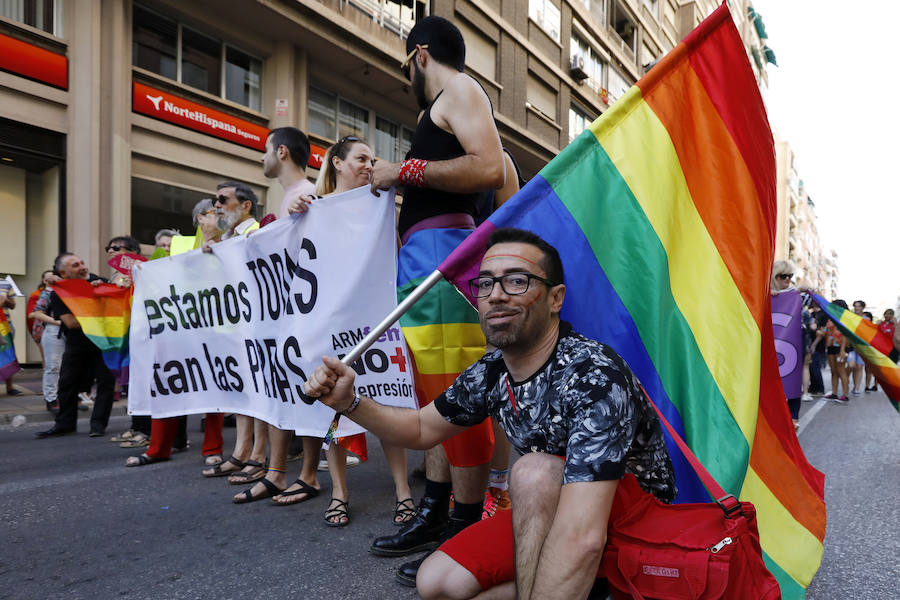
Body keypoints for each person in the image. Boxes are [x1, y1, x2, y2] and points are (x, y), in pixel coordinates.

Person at [304, 228, 676, 599]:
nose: (496, 294)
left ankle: (603, 581)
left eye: (517, 280)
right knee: (437, 583)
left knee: (532, 472)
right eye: (485, 283)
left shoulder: (593, 374)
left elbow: (583, 536)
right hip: (552, 503)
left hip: (628, 517)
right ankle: (595, 586)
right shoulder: (493, 369)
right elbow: (419, 429)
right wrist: (349, 402)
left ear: (555, 298)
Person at [366, 15, 507, 584]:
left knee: (459, 401)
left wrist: (402, 170)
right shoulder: (442, 106)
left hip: (447, 265)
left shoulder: (461, 90)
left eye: (406, 66)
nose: (408, 78)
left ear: (419, 54)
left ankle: (463, 531)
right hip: (430, 263)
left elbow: (491, 166)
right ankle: (435, 511)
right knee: (436, 398)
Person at [274, 135, 412, 526]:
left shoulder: (383, 204)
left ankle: (403, 493)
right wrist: (297, 213)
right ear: (336, 162)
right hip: (331, 323)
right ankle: (339, 493)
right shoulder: (313, 209)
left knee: (390, 400)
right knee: (333, 408)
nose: (370, 165)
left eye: (373, 159)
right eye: (362, 158)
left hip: (376, 319)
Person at [199, 182, 269, 482]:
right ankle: (242, 452)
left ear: (245, 206)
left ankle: (259, 455)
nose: (216, 206)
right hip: (235, 325)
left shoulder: (257, 235)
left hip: (258, 326)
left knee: (261, 391)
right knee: (242, 391)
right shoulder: (226, 240)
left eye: (222, 200)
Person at [35, 254, 122, 438]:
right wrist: (97, 309)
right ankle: (64, 424)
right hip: (77, 345)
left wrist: (101, 296)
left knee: (105, 385)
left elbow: (116, 306)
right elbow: (71, 323)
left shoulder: (100, 283)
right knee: (67, 384)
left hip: (103, 344)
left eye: (82, 262)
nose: (82, 267)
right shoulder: (59, 292)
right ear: (63, 272)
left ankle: (98, 425)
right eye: (75, 265)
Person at [770, 261, 801, 427]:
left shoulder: (794, 295)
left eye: (790, 276)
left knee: (793, 379)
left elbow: (810, 292)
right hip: (769, 349)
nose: (788, 280)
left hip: (791, 349)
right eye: (783, 276)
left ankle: (794, 417)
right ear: (774, 277)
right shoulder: (764, 295)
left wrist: (805, 289)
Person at [28, 270, 64, 412]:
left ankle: (68, 397)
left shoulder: (72, 290)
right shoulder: (49, 291)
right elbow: (37, 312)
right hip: (54, 330)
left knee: (68, 366)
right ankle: (51, 399)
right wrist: (58, 322)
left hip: (71, 330)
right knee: (53, 366)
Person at [824, 299, 850, 403]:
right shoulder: (831, 317)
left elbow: (845, 334)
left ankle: (845, 395)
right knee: (833, 371)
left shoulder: (844, 318)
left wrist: (843, 350)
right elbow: (827, 331)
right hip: (831, 346)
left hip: (840, 347)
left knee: (841, 370)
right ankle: (834, 393)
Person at [0, 275, 21, 395]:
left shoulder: (5, 283)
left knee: (8, 353)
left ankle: (10, 387)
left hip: (5, 326)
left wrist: (5, 300)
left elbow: (13, 305)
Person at [847, 300, 867, 394]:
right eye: (855, 306)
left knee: (859, 367)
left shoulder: (866, 319)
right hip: (851, 345)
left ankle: (857, 388)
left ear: (863, 307)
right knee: (851, 365)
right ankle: (845, 379)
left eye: (859, 306)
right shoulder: (850, 317)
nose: (857, 308)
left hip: (862, 346)